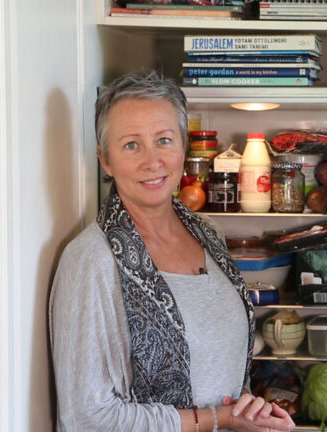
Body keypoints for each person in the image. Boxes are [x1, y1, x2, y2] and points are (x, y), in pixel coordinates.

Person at [49, 70, 296, 432]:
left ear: (183, 148)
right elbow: (86, 418)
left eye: (164, 140)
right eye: (131, 145)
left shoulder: (207, 233)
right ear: (105, 160)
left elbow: (220, 368)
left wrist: (247, 412)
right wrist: (217, 419)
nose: (153, 161)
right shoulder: (90, 260)